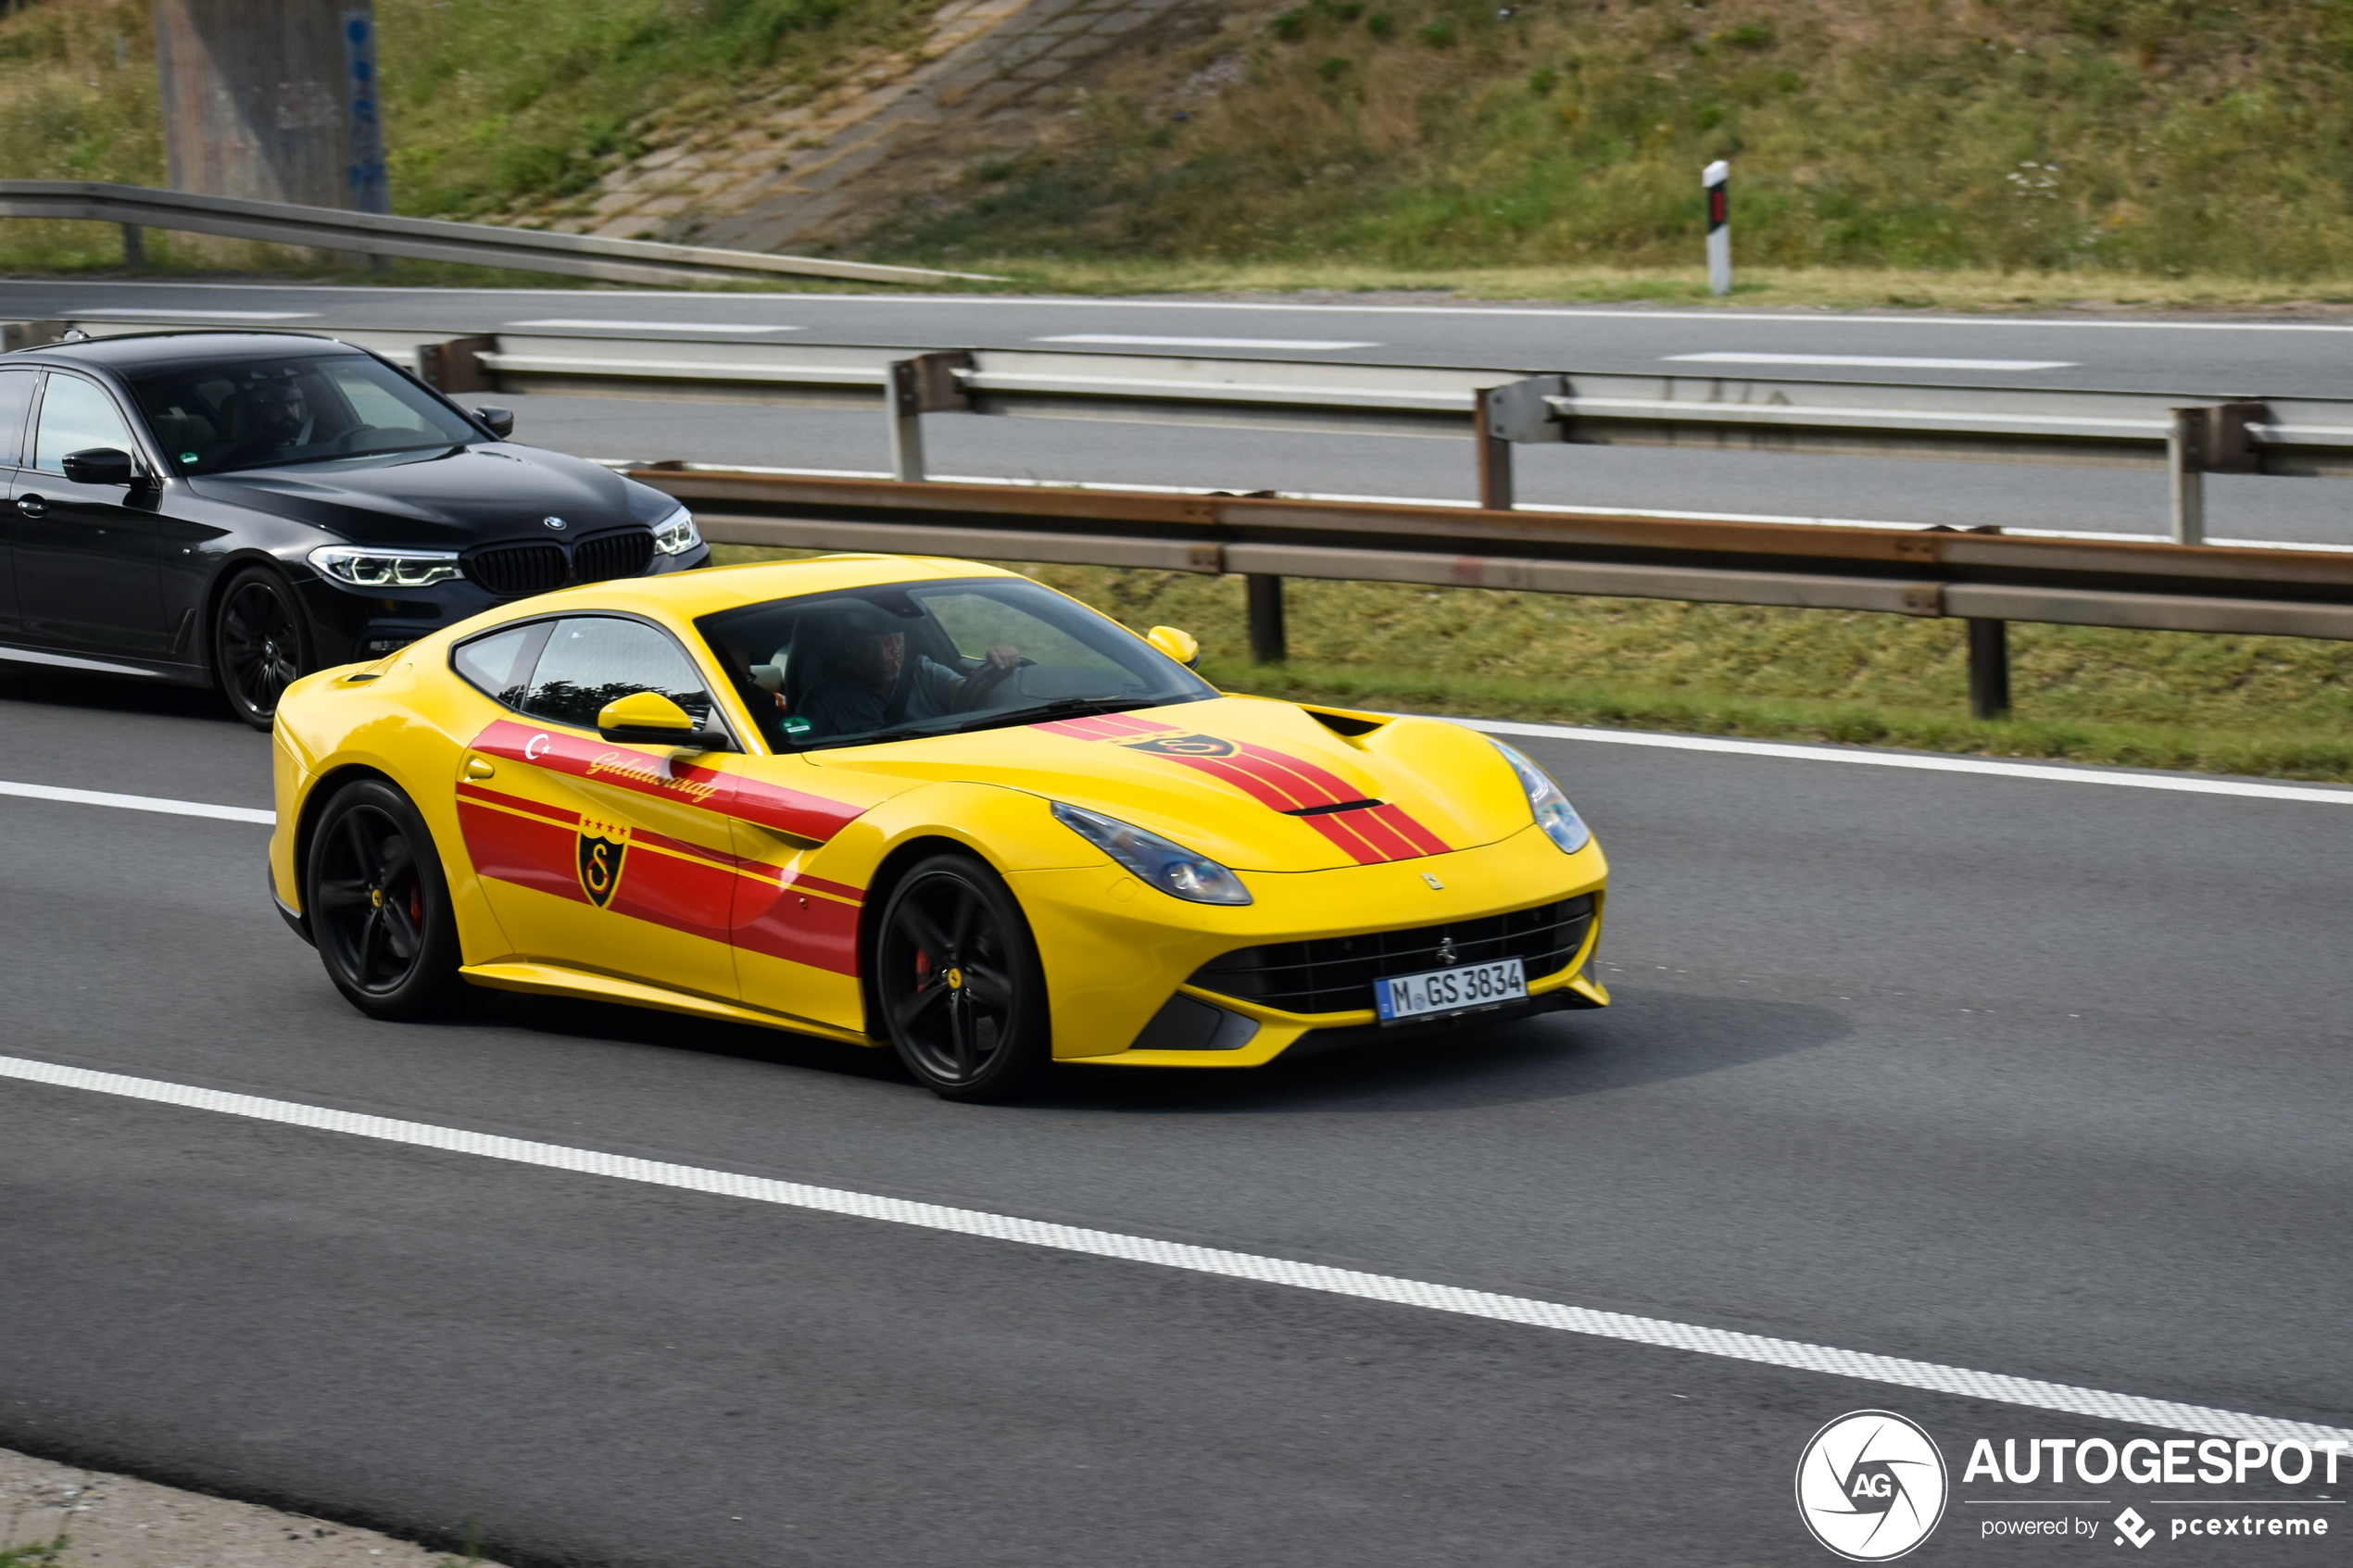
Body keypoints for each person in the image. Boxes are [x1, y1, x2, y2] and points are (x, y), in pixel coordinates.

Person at [791, 598, 1019, 739]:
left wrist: (1000, 670)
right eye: (871, 646)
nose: (883, 656)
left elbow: (968, 694)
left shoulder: (923, 671)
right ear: (851, 648)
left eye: (893, 644)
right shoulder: (822, 699)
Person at [222, 377, 316, 466]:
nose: (288, 411)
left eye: (291, 403)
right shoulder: (241, 459)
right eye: (277, 405)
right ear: (259, 410)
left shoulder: (319, 441)